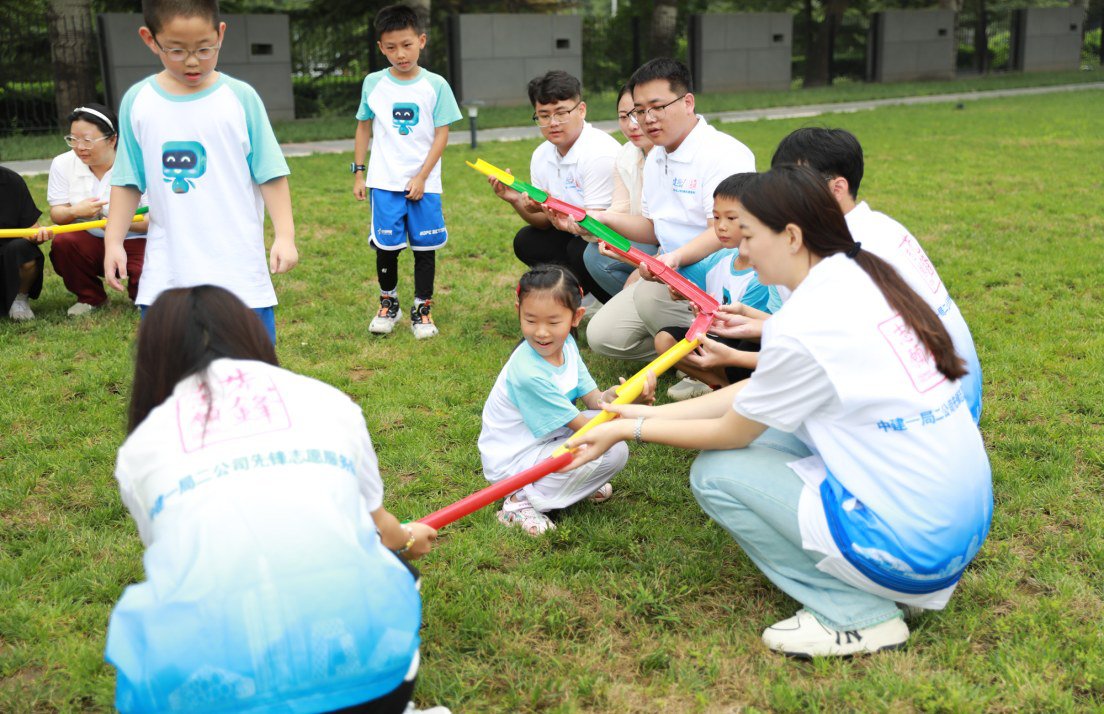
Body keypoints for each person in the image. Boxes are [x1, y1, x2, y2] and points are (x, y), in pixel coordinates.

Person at [564, 166, 993, 658]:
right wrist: (630, 419)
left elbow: (731, 431)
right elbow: (750, 400)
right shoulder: (859, 275)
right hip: (957, 525)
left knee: (717, 473)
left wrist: (631, 429)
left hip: (919, 546)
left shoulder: (808, 320)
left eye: (747, 235)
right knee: (772, 439)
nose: (739, 252)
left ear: (791, 236)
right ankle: (893, 584)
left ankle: (856, 614)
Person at [105, 285, 449, 714]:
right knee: (392, 573)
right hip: (374, 685)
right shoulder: (328, 401)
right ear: (251, 333)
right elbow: (380, 529)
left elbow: (171, 557)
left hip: (213, 695)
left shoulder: (142, 449)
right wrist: (408, 536)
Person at [103, 0, 297, 344]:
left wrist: (285, 235)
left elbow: (270, 172)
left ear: (220, 34)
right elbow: (128, 179)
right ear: (151, 40)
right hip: (169, 270)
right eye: (177, 51)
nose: (193, 61)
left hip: (238, 269)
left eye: (204, 49)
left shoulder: (241, 98)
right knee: (171, 372)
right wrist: (114, 240)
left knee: (250, 370)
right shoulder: (139, 100)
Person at [770, 127, 983, 422]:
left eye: (793, 185)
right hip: (960, 401)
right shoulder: (881, 225)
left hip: (921, 415)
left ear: (837, 188)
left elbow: (819, 354)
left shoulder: (836, 254)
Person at [584, 58, 756, 364]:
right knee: (603, 336)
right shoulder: (655, 157)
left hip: (716, 276)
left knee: (649, 295)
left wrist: (673, 260)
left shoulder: (724, 154)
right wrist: (602, 218)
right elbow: (653, 227)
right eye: (639, 110)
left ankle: (710, 357)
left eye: (657, 107)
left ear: (688, 102)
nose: (646, 119)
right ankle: (681, 345)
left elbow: (723, 235)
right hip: (669, 272)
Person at [478, 265, 651, 536]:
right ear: (518, 312)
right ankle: (517, 502)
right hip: (514, 463)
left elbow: (595, 400)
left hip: (548, 442)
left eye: (553, 322)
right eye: (531, 320)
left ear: (576, 317)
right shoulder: (528, 373)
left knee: (612, 443)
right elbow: (583, 426)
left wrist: (619, 399)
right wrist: (629, 419)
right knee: (608, 446)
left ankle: (568, 487)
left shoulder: (567, 346)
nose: (542, 332)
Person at [353, 3, 461, 340]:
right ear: (380, 48)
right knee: (387, 248)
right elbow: (362, 128)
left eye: (407, 45)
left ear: (422, 40)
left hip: (424, 184)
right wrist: (359, 172)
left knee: (424, 249)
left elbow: (442, 134)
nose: (400, 54)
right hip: (384, 183)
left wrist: (422, 176)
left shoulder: (436, 85)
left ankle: (422, 309)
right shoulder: (373, 83)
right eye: (391, 47)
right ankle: (389, 304)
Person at [487, 70, 619, 304]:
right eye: (544, 116)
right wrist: (516, 200)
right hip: (572, 231)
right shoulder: (541, 155)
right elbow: (543, 222)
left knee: (580, 251)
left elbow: (595, 228)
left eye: (561, 113)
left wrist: (555, 212)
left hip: (607, 239)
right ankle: (580, 293)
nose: (553, 123)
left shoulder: (599, 153)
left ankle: (598, 296)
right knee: (527, 241)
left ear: (581, 110)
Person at [654, 173, 778, 400]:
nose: (720, 227)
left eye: (731, 218)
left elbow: (743, 328)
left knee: (736, 345)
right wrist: (682, 292)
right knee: (664, 340)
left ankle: (735, 390)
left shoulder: (765, 273)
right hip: (713, 334)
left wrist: (705, 313)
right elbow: (677, 278)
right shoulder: (721, 256)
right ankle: (720, 387)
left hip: (741, 341)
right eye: (716, 217)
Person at [551, 85, 658, 298]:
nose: (631, 125)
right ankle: (631, 308)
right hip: (645, 237)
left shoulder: (669, 154)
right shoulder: (626, 155)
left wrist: (598, 220)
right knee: (594, 252)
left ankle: (637, 308)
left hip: (675, 248)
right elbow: (619, 209)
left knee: (591, 253)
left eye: (637, 114)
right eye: (623, 117)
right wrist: (588, 225)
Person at [46, 104, 148, 316]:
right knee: (64, 243)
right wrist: (75, 212)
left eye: (87, 140)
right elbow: (57, 213)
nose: (79, 146)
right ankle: (90, 297)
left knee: (149, 275)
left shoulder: (139, 164)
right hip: (91, 240)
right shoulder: (62, 163)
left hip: (135, 239)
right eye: (73, 139)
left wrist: (113, 220)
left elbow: (151, 220)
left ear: (112, 140)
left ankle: (142, 296)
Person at [0, 166, 47, 321]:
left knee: (24, 250)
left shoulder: (11, 181)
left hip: (7, 253)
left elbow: (32, 229)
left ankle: (19, 298)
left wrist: (38, 235)